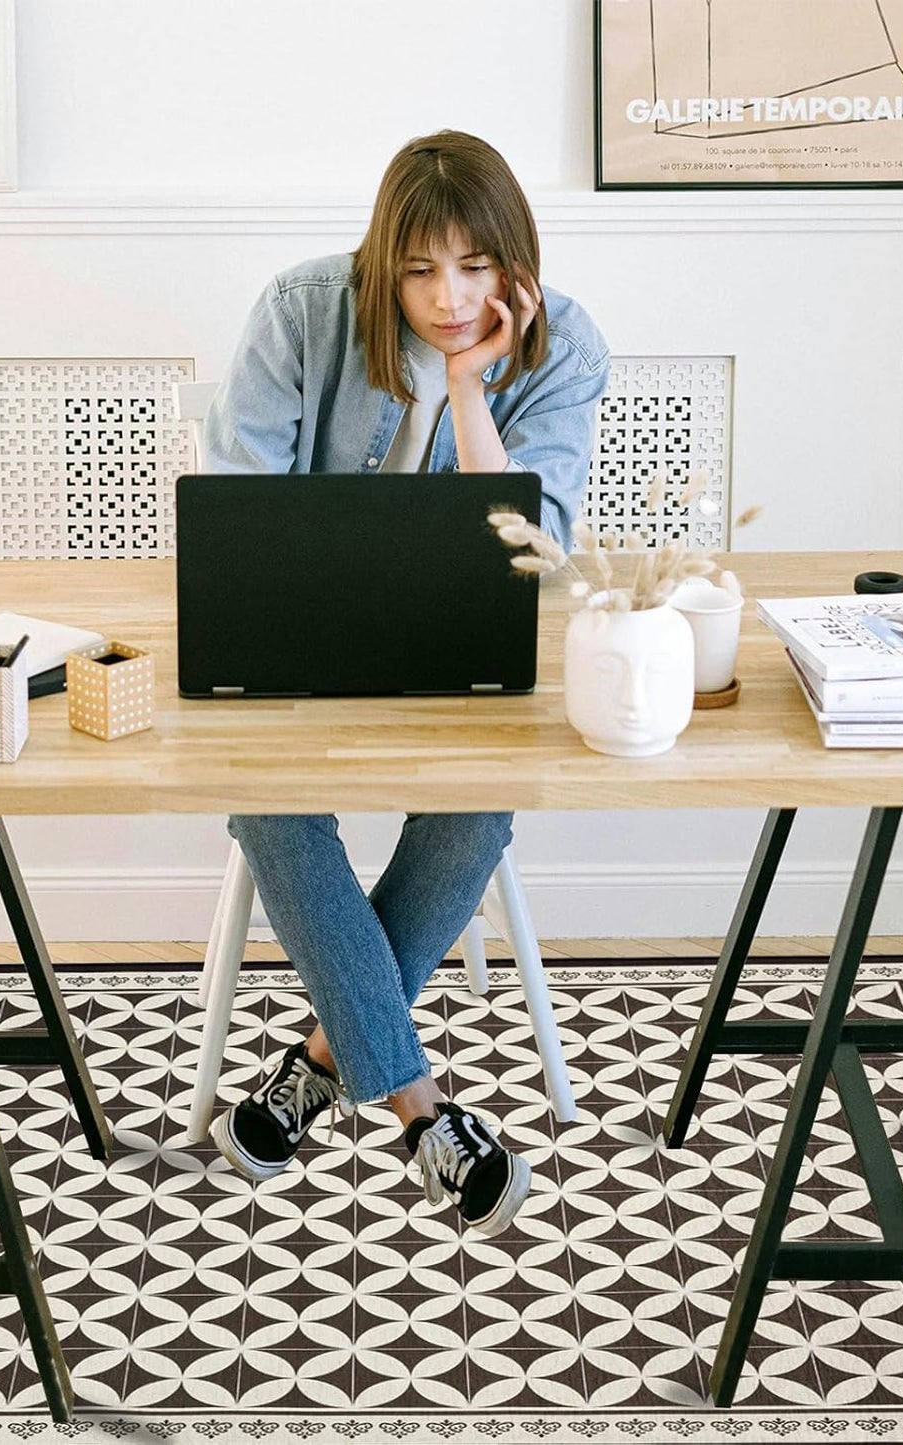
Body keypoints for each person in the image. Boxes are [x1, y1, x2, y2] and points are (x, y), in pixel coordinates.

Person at [201, 130, 609, 1237]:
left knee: (479, 798)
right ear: (382, 259)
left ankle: (323, 1060)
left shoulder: (561, 346)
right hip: (297, 648)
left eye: (474, 268)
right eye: (419, 270)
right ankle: (422, 1107)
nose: (445, 297)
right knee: (269, 797)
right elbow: (238, 511)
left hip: (460, 655)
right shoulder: (300, 311)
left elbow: (530, 554)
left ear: (512, 263)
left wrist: (473, 388)